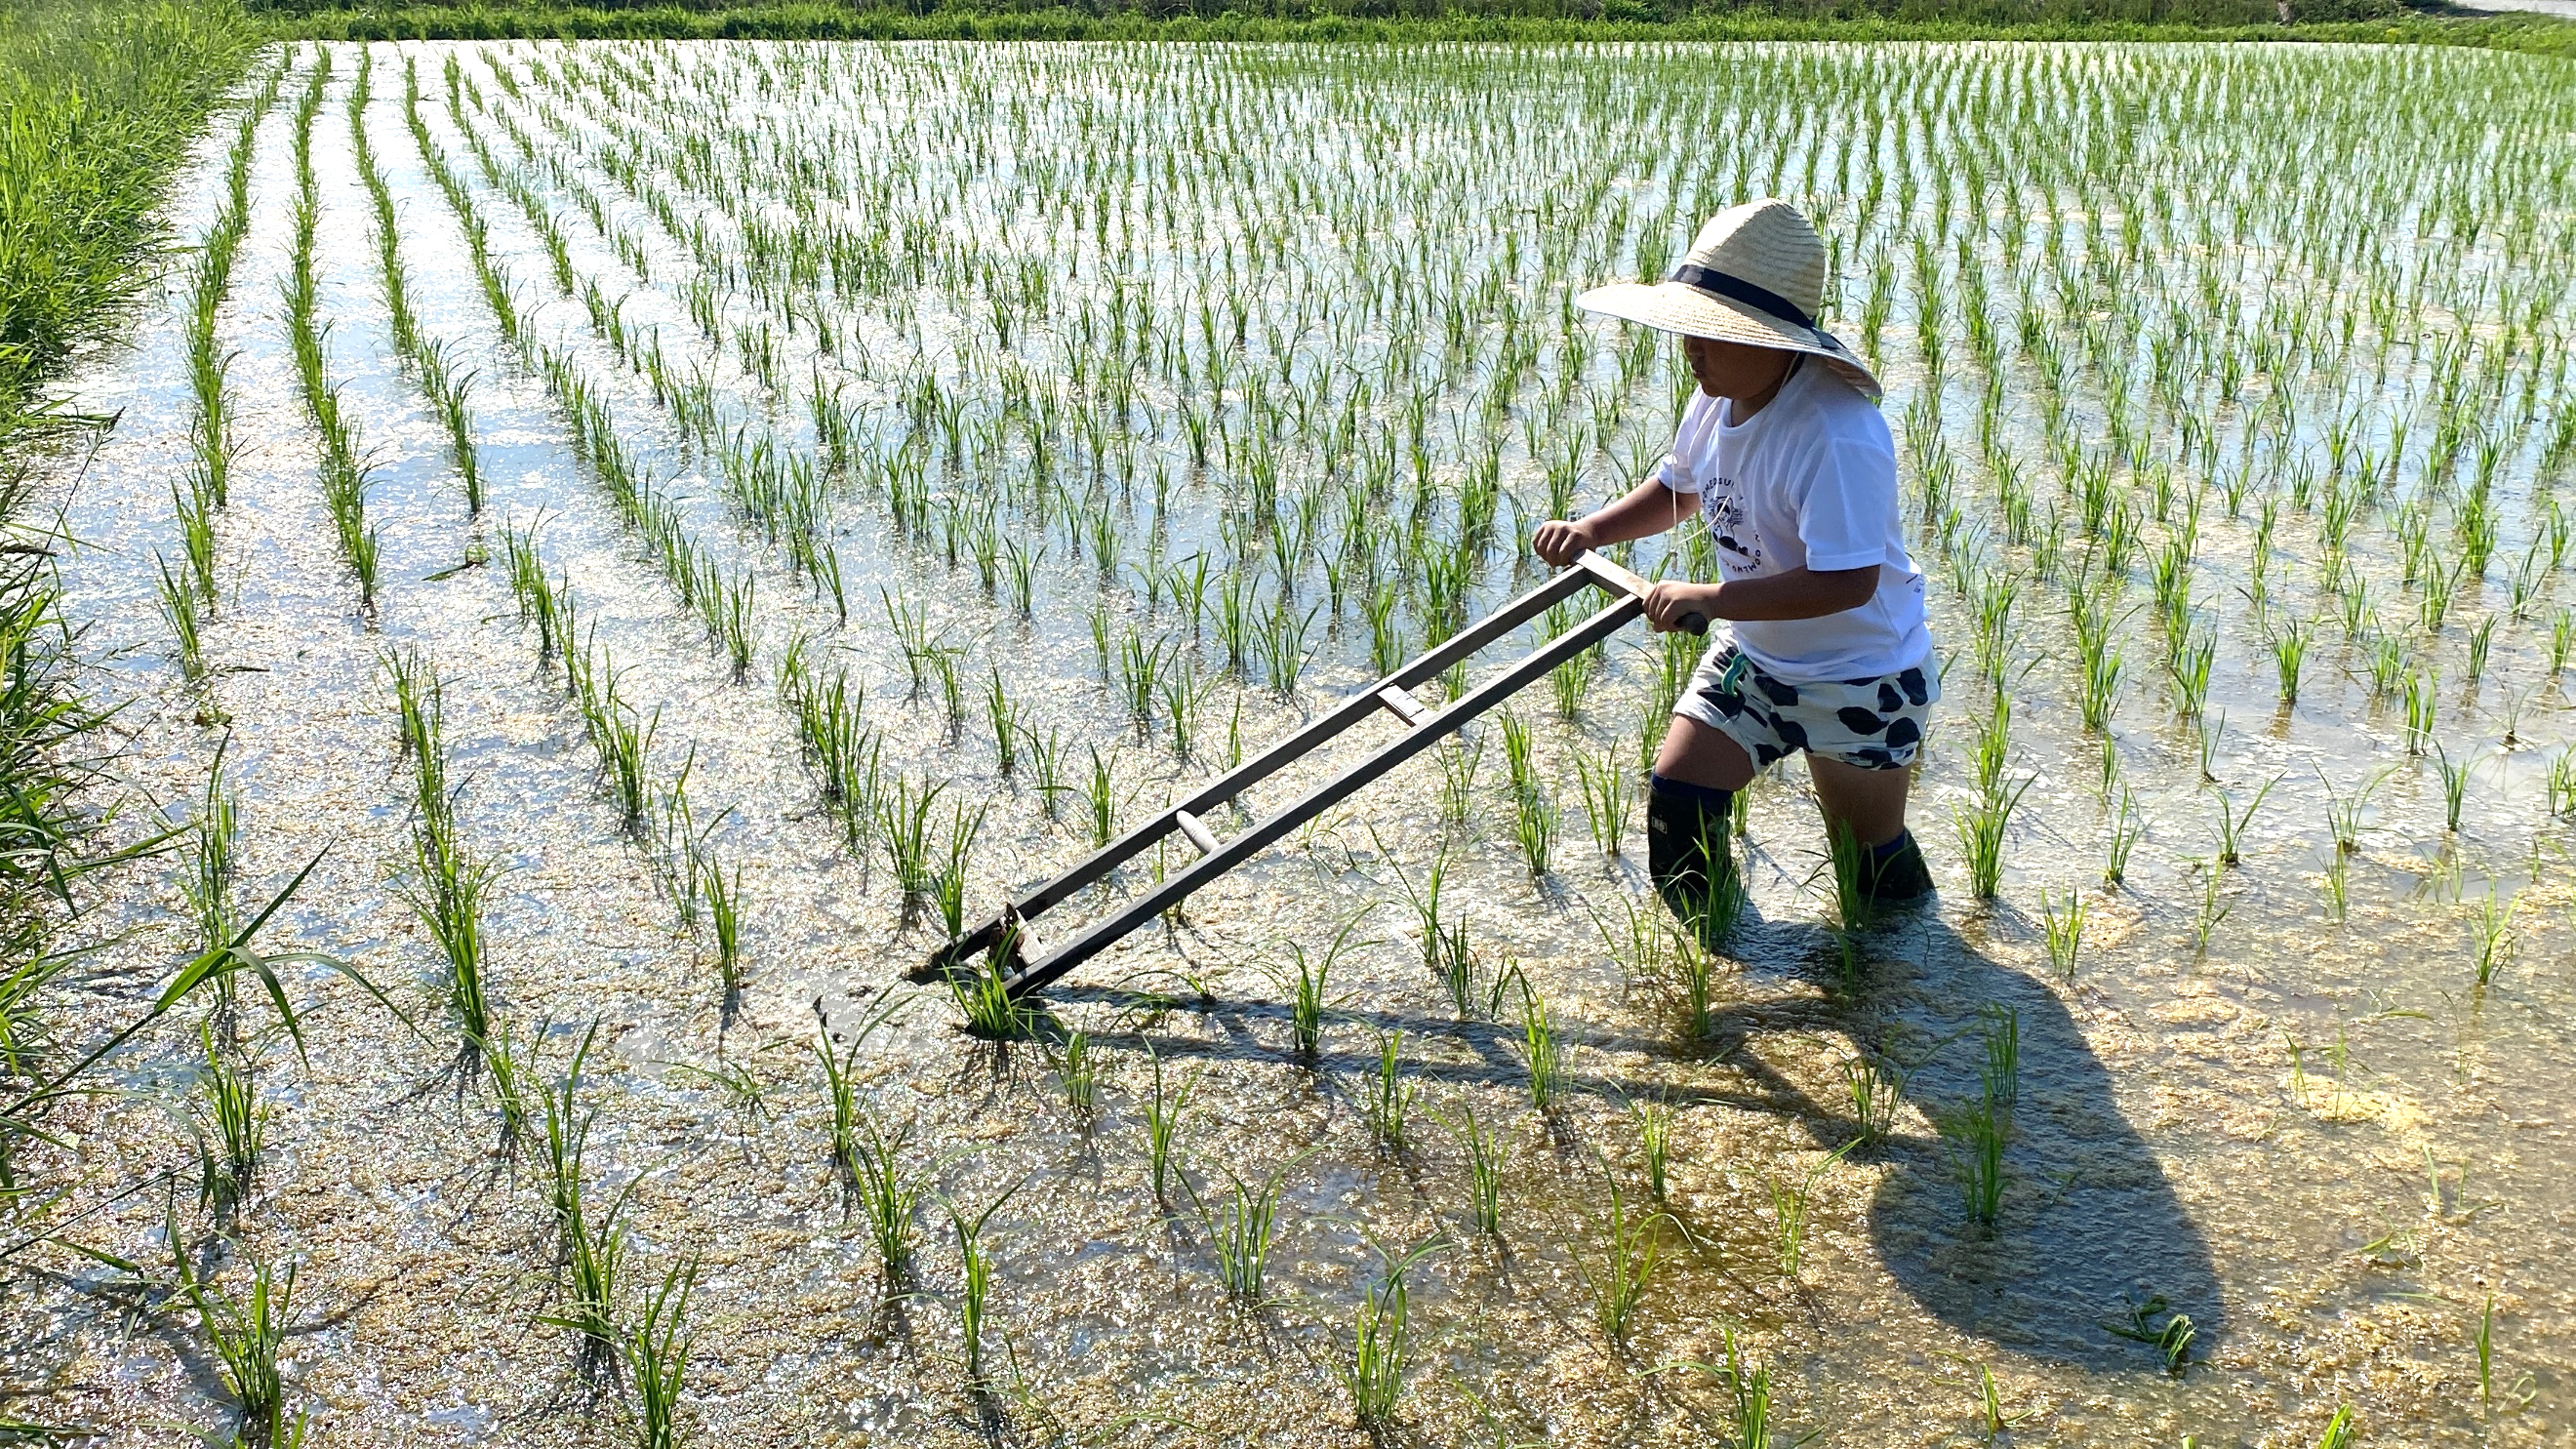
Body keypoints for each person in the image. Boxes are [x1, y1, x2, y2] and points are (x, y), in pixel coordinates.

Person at [1533, 198, 1937, 944]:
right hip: (1758, 655)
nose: (1691, 347)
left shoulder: (1835, 433)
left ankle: (1908, 983)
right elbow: (1679, 489)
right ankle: (1720, 969)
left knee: (1869, 863)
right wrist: (1593, 528)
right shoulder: (1716, 401)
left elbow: (1848, 583)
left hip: (1862, 673)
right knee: (1678, 798)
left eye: (1714, 333)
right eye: (1689, 328)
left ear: (1779, 343)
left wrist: (1709, 598)